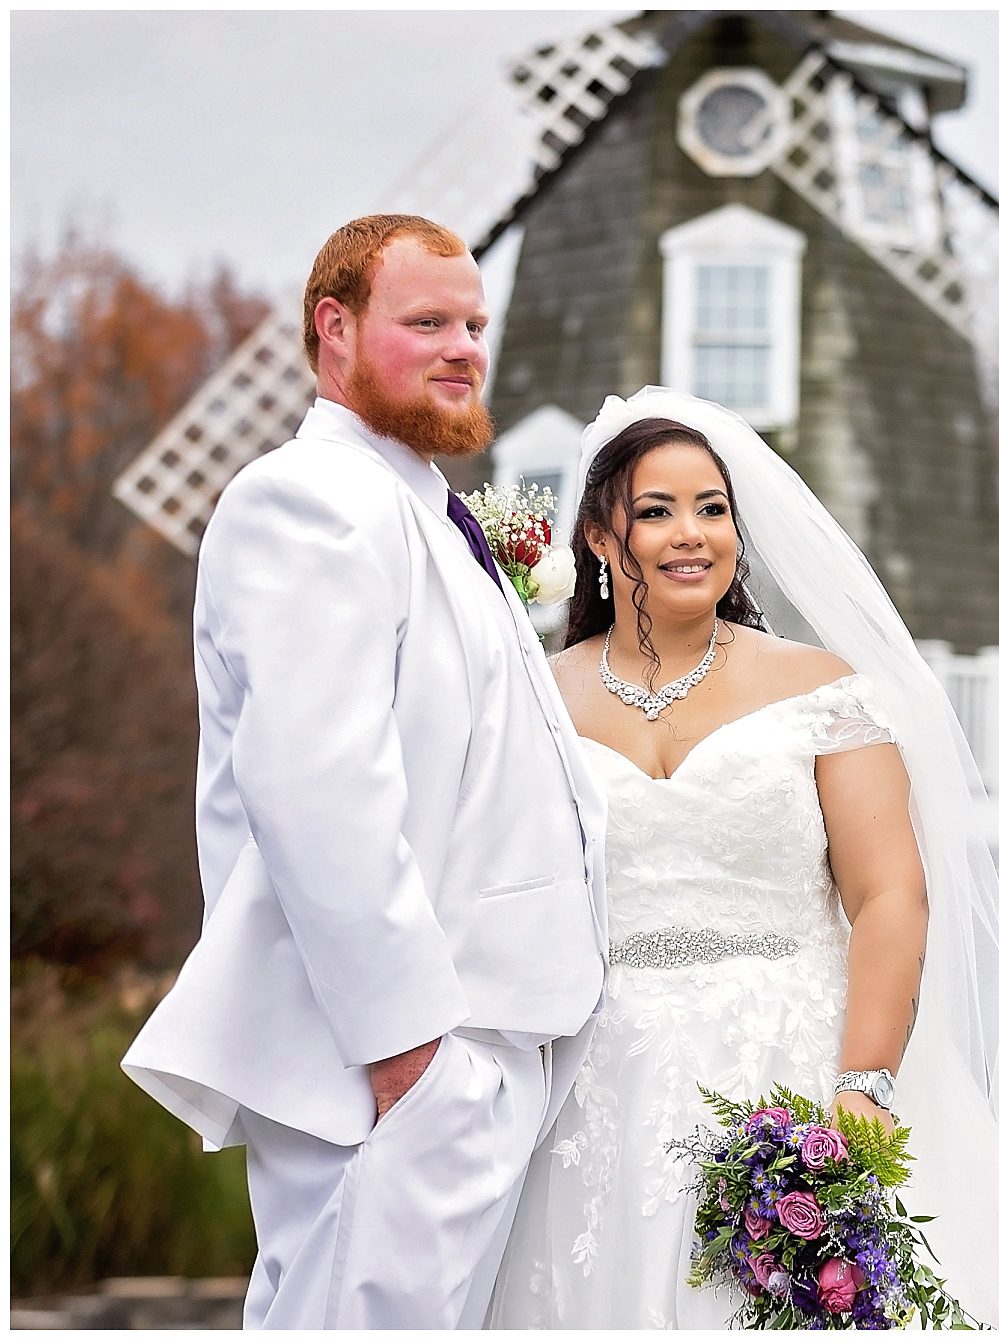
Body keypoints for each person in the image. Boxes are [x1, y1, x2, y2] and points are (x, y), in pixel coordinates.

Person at [489, 388, 999, 1329]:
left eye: (711, 508)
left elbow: (889, 894)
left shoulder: (821, 690)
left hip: (798, 1064)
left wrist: (863, 1083)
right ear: (596, 536)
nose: (690, 533)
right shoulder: (534, 698)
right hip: (597, 1089)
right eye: (655, 511)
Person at [121, 214, 608, 1330]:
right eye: (426, 320)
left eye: (474, 323)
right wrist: (409, 1054)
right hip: (395, 1059)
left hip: (476, 1043)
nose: (463, 346)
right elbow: (314, 786)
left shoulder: (420, 508)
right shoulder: (306, 498)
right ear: (333, 329)